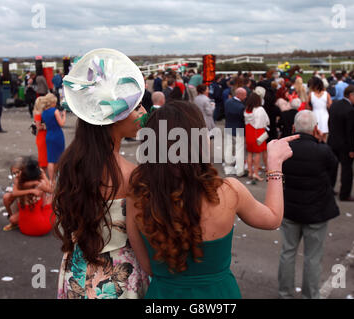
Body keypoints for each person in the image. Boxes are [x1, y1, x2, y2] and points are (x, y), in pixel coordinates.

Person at [126, 100, 299, 299]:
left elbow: (148, 267)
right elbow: (273, 218)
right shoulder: (229, 191)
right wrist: (275, 166)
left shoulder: (137, 195)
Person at [54, 48, 149, 299]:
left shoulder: (69, 165)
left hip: (77, 269)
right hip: (119, 275)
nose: (143, 114)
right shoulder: (133, 173)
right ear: (115, 118)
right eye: (137, 108)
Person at [279, 110, 339, 299]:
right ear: (315, 129)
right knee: (312, 257)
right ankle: (310, 294)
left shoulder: (285, 150)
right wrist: (321, 141)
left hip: (290, 208)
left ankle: (285, 292)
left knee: (288, 252)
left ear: (294, 128)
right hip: (316, 210)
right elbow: (332, 171)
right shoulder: (322, 150)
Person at [328, 85, 354, 202]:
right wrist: (352, 149)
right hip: (345, 145)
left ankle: (329, 190)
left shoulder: (334, 105)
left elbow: (330, 123)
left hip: (332, 142)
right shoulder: (350, 110)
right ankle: (345, 194)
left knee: (332, 168)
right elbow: (351, 132)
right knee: (347, 170)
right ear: (350, 95)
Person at [16, 157, 55, 236]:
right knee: (51, 197)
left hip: (23, 228)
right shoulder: (40, 184)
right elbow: (51, 190)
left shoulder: (18, 183)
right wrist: (44, 175)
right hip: (40, 228)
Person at [244, 93, 270, 181]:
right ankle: (255, 173)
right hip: (258, 132)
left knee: (250, 153)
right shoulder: (260, 109)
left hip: (249, 132)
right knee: (257, 153)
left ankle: (250, 172)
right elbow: (266, 121)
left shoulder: (247, 110)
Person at [41, 93, 66, 182]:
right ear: (52, 102)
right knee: (59, 157)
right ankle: (57, 176)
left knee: (51, 159)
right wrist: (64, 115)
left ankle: (52, 180)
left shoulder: (43, 112)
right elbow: (62, 124)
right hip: (57, 135)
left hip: (49, 135)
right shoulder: (54, 111)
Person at [224, 87, 247, 177]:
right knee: (240, 150)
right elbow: (243, 119)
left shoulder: (228, 102)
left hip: (228, 127)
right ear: (240, 95)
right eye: (244, 95)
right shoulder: (241, 107)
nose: (245, 97)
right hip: (239, 129)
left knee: (229, 148)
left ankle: (228, 166)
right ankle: (240, 171)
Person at [308, 77, 332, 142]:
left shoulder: (311, 94)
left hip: (315, 114)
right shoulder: (326, 94)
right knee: (324, 137)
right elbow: (330, 106)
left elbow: (307, 107)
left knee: (315, 135)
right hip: (324, 114)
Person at [33, 96, 48, 172]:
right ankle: (42, 174)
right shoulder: (38, 114)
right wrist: (46, 126)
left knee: (44, 156)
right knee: (43, 158)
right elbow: (39, 127)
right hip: (42, 136)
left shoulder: (38, 113)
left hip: (42, 136)